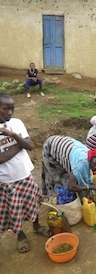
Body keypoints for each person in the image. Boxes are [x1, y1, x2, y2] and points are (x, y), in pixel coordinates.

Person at [0, 93, 50, 253]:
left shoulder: (16, 123)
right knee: (15, 210)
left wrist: (13, 135)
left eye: (12, 109)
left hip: (24, 174)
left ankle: (36, 225)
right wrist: (19, 144)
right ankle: (20, 234)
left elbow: (30, 145)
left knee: (34, 203)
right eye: (5, 109)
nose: (10, 112)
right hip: (6, 180)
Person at [42, 135, 96, 199]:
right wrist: (90, 187)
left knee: (68, 176)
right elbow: (71, 187)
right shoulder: (81, 163)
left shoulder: (88, 159)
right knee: (55, 178)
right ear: (92, 157)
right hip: (51, 147)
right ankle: (53, 200)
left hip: (65, 148)